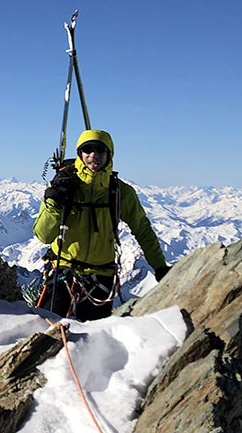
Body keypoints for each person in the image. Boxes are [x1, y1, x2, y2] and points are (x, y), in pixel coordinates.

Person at [33, 129, 170, 321]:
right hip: (63, 271)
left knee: (95, 342)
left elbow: (142, 230)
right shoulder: (63, 186)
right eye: (87, 150)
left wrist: (160, 266)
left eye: (100, 150)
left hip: (100, 276)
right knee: (47, 332)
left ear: (109, 154)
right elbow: (44, 235)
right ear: (80, 154)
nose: (93, 155)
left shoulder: (120, 192)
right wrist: (53, 202)